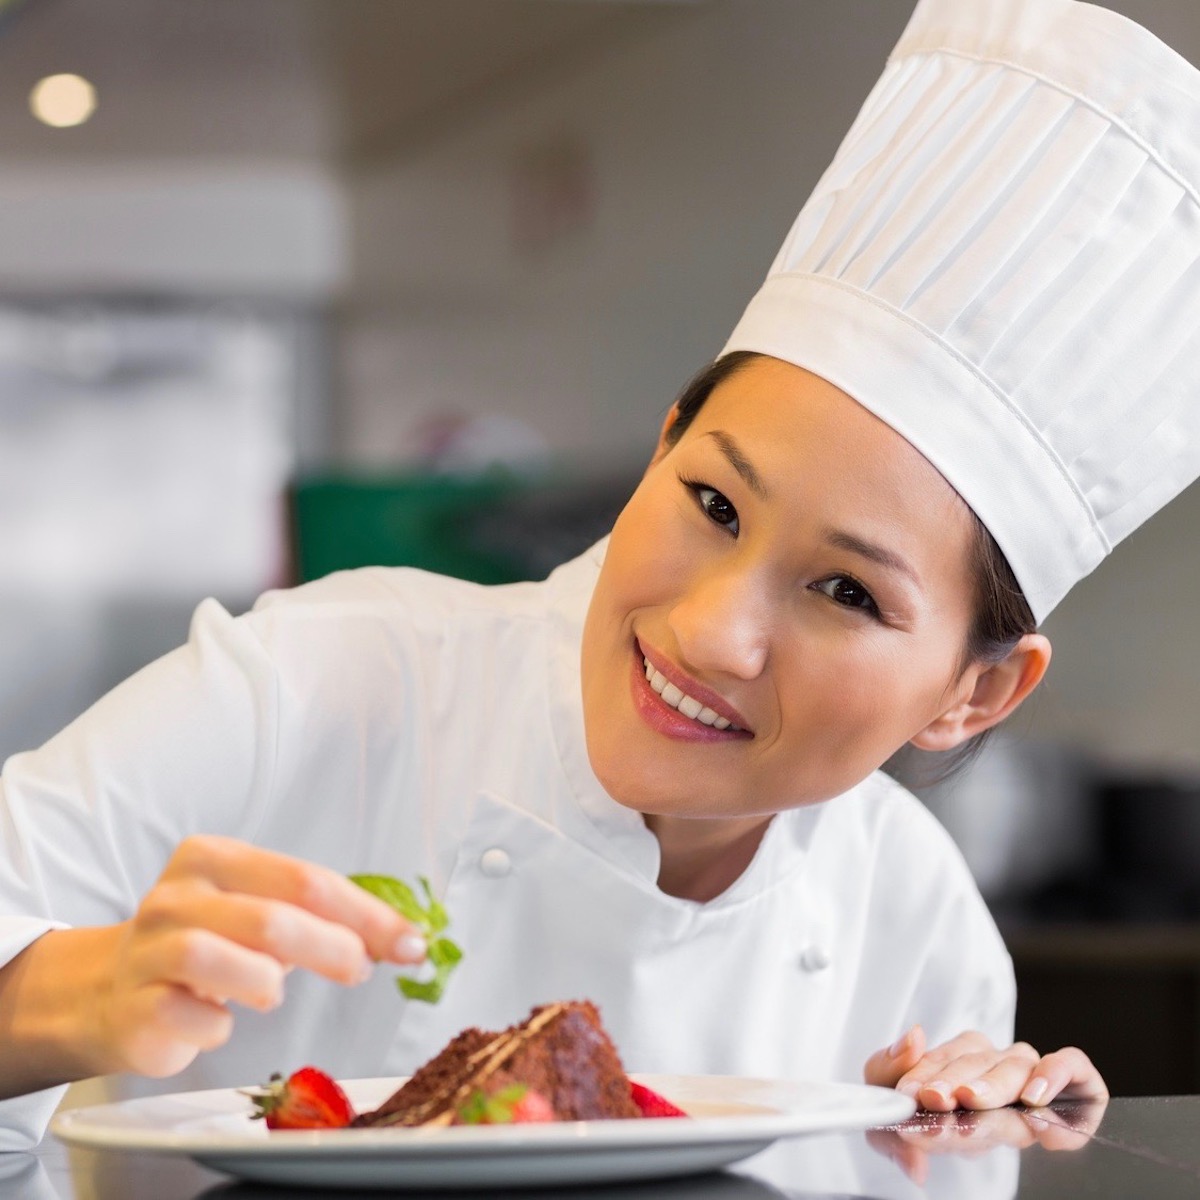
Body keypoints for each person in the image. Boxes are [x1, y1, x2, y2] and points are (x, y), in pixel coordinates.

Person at [5, 0, 1198, 1149]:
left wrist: (960, 1146)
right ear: (664, 443)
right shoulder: (321, 683)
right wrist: (77, 994)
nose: (711, 628)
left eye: (847, 592)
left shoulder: (916, 919)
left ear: (976, 694)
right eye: (714, 503)